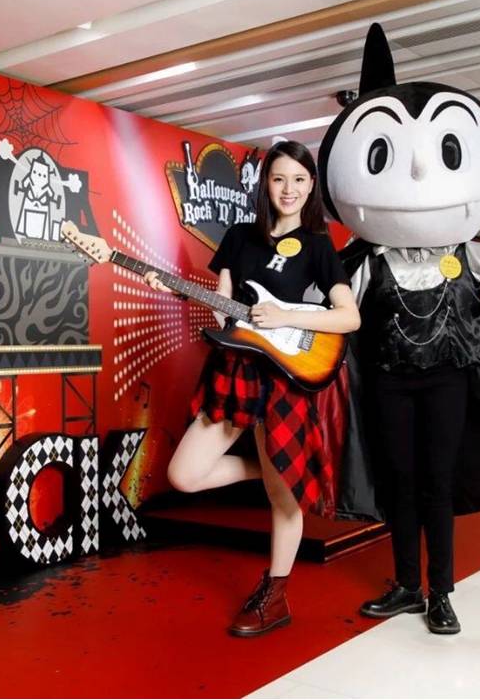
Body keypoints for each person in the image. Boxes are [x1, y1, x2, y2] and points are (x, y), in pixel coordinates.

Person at [144, 140, 360, 637]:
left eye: (300, 180)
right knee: (183, 475)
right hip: (235, 369)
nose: (289, 189)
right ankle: (268, 471)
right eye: (280, 179)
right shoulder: (240, 236)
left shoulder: (318, 245)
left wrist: (286, 315)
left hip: (284, 376)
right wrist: (175, 288)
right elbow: (222, 304)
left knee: (284, 503)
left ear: (311, 186)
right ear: (267, 184)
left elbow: (349, 317)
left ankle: (274, 596)